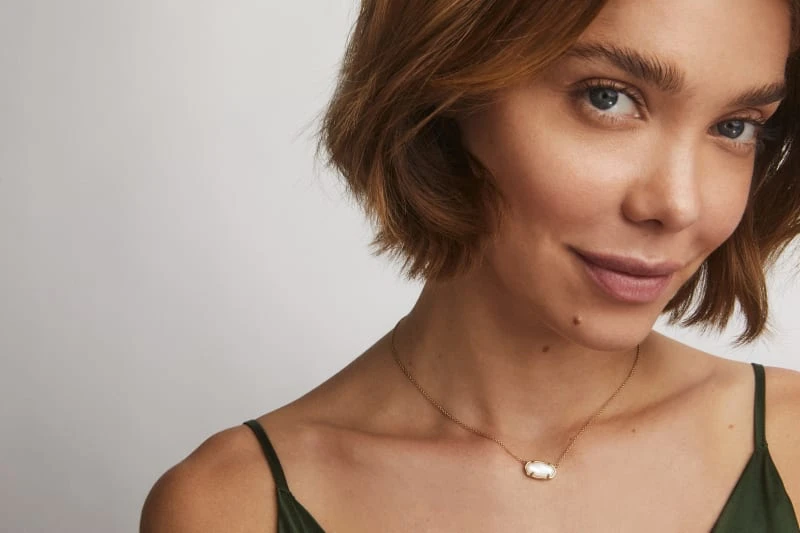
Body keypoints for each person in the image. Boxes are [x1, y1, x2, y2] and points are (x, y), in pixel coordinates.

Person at [140, 0, 800, 530]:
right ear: (446, 90)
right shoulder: (230, 507)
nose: (680, 205)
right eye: (607, 98)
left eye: (736, 126)